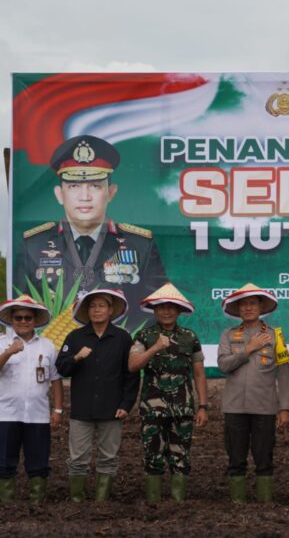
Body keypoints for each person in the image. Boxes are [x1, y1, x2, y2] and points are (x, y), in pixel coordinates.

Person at [18, 134, 167, 332]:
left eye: (95, 186)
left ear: (111, 192)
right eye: (74, 186)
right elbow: (21, 306)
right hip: (55, 353)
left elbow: (155, 306)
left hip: (118, 350)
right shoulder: (35, 243)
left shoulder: (139, 243)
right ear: (59, 194)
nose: (85, 196)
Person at [55, 289, 140, 502]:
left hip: (112, 408)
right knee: (77, 458)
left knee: (108, 457)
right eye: (92, 306)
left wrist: (126, 404)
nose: (97, 310)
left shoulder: (122, 338)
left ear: (110, 310)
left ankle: (101, 501)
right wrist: (76, 358)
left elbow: (131, 374)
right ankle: (77, 499)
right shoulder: (75, 337)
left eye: (102, 306)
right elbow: (62, 367)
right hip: (82, 409)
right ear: (86, 311)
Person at [129, 282, 209, 503]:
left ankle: (178, 504)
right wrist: (154, 348)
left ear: (179, 310)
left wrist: (203, 406)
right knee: (152, 456)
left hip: (183, 408)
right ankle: (153, 502)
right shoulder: (144, 336)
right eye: (162, 307)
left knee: (180, 457)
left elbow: (199, 374)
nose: (166, 311)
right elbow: (133, 365)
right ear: (155, 310)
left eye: (171, 307)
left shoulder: (189, 337)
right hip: (152, 410)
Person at [217, 283, 289, 503]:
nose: (248, 308)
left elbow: (284, 373)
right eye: (244, 305)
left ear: (261, 307)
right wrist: (248, 349)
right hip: (234, 407)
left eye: (252, 303)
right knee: (235, 458)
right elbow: (223, 365)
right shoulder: (229, 335)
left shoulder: (274, 336)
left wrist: (285, 407)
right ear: (238, 310)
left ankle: (264, 502)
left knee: (264, 457)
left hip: (264, 407)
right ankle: (237, 501)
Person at [0, 296, 63, 504]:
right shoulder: (2, 343)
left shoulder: (47, 346)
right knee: (4, 461)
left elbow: (55, 380)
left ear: (35, 320)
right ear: (11, 320)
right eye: (18, 317)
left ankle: (37, 503)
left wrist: (58, 410)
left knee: (38, 461)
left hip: (38, 414)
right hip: (6, 413)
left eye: (28, 317)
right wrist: (9, 352)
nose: (23, 321)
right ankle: (7, 504)